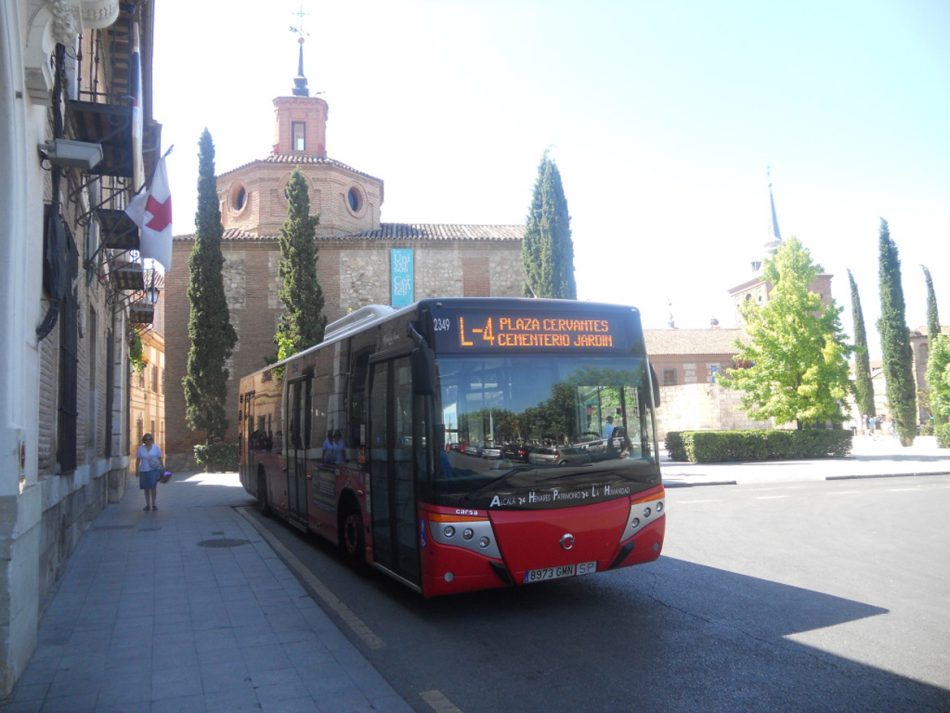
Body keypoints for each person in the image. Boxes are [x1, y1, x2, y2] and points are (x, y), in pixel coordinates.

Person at [136, 433, 164, 511]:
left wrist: (162, 468)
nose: (148, 441)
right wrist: (136, 470)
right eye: (146, 439)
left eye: (150, 439)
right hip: (144, 470)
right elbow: (138, 460)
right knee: (146, 488)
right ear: (144, 440)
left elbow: (160, 458)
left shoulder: (156, 448)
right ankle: (148, 505)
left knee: (153, 487)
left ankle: (154, 504)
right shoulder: (140, 449)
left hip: (153, 470)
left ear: (152, 440)